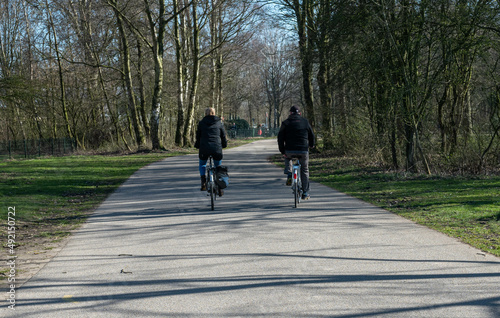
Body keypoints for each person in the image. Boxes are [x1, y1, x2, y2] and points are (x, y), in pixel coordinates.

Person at [277, 105, 315, 200]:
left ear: (290, 113)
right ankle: (305, 192)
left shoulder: (285, 123)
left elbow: (280, 138)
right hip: (303, 150)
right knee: (305, 170)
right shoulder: (305, 122)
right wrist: (311, 145)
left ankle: (289, 173)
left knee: (287, 157)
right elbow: (311, 135)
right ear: (300, 113)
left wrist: (282, 151)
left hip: (289, 149)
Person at [195, 107, 228, 195]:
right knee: (218, 167)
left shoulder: (201, 123)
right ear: (214, 113)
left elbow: (198, 136)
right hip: (216, 148)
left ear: (205, 113)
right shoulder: (219, 123)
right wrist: (224, 144)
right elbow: (223, 136)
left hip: (204, 148)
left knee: (202, 164)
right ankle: (220, 188)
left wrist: (197, 145)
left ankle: (203, 182)